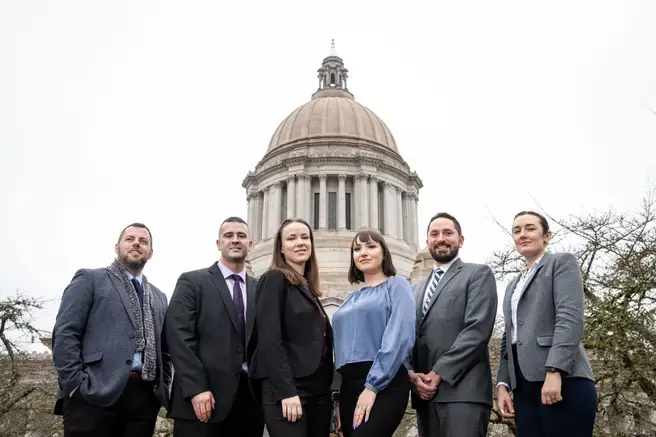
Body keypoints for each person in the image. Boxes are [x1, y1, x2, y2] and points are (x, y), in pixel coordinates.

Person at [52, 223, 171, 437]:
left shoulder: (159, 296)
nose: (136, 243)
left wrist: (161, 387)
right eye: (130, 239)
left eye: (143, 241)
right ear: (117, 247)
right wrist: (75, 385)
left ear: (150, 253)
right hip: (93, 393)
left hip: (144, 398)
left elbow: (165, 348)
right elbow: (65, 334)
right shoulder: (90, 279)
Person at [496, 211, 597, 436]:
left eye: (530, 228)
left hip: (564, 380)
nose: (522, 234)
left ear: (547, 235)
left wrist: (555, 370)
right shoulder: (513, 284)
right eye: (517, 230)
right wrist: (502, 383)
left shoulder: (561, 263)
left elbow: (569, 318)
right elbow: (508, 338)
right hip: (524, 388)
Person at [164, 216, 264, 437]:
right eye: (229, 236)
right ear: (219, 244)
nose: (235, 240)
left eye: (241, 236)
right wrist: (197, 388)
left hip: (248, 405)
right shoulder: (192, 282)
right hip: (202, 403)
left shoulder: (260, 289)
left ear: (250, 245)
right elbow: (178, 338)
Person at [409, 212, 498, 437]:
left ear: (461, 240)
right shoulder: (415, 290)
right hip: (424, 396)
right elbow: (406, 338)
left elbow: (477, 331)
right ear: (427, 241)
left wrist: (438, 373)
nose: (441, 238)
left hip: (463, 393)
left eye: (448, 233)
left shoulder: (477, 274)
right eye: (434, 234)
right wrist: (412, 375)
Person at [248, 218, 334, 437]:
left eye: (305, 237)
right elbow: (269, 338)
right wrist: (286, 391)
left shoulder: (308, 288)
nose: (300, 243)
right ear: (281, 248)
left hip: (317, 390)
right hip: (289, 388)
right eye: (292, 238)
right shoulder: (274, 279)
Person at [331, 230, 415, 437]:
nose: (363, 253)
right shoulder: (351, 298)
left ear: (384, 253)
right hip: (349, 386)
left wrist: (372, 386)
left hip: (384, 381)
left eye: (371, 246)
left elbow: (399, 335)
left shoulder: (397, 285)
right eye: (357, 249)